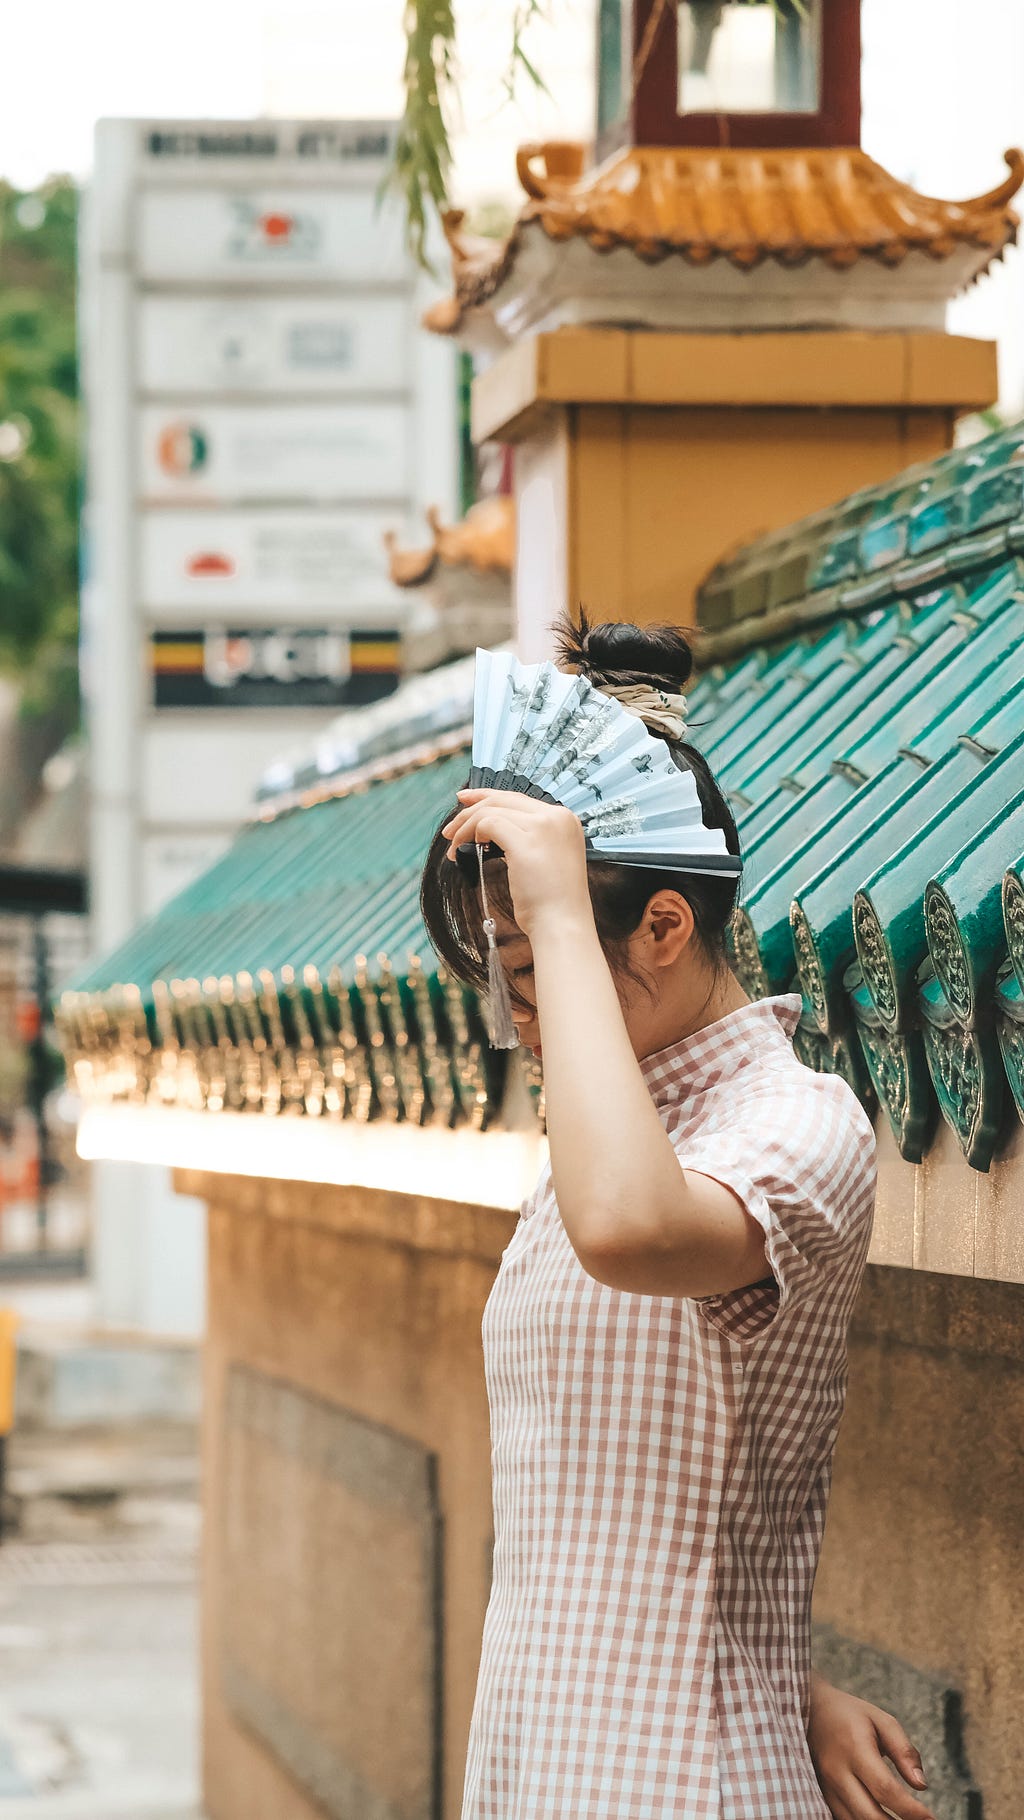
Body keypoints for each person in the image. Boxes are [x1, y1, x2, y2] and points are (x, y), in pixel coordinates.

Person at [419, 611, 934, 1820]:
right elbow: (619, 1518)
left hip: (671, 1786)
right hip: (555, 1761)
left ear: (663, 924)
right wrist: (772, 1675)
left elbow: (631, 1233)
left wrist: (553, 901)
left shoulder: (796, 1125)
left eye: (531, 969)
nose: (518, 1014)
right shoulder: (616, 1138)